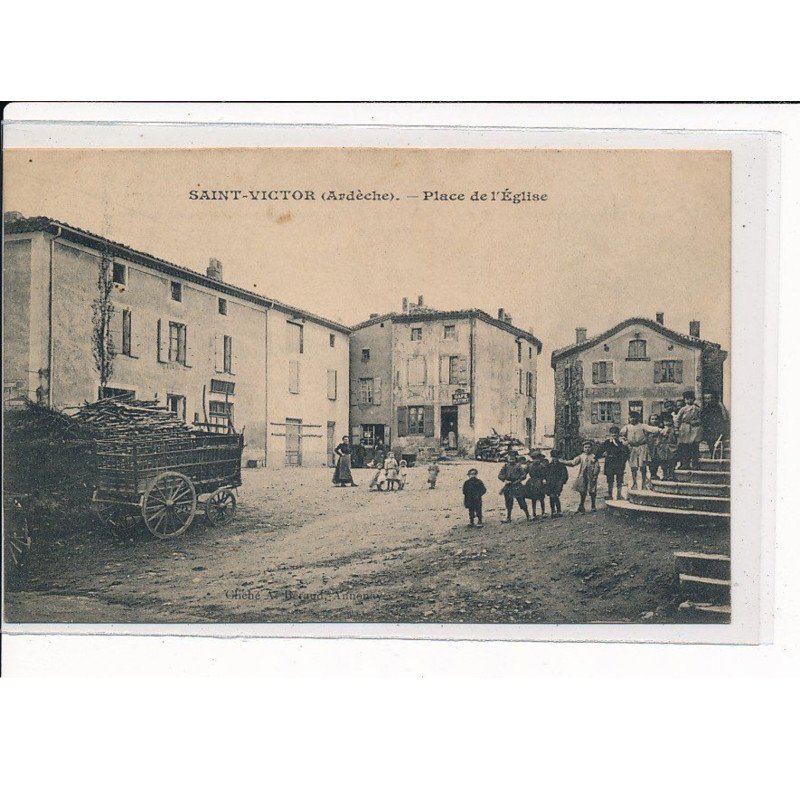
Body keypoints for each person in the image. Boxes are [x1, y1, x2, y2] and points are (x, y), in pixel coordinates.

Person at [620, 412, 661, 491]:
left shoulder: (643, 426)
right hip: (632, 448)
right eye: (631, 417)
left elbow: (653, 429)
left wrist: (662, 429)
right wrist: (624, 441)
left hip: (642, 447)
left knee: (643, 466)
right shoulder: (626, 427)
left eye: (635, 417)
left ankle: (643, 483)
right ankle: (634, 483)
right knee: (633, 467)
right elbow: (621, 435)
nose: (633, 419)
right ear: (629, 418)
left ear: (638, 418)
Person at [595, 426, 629, 500]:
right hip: (609, 463)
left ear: (618, 434)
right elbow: (599, 451)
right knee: (610, 480)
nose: (614, 435)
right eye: (613, 433)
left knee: (619, 480)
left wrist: (623, 460)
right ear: (610, 434)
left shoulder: (621, 443)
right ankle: (610, 494)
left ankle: (619, 495)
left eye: (616, 433)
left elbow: (626, 452)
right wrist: (599, 456)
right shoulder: (607, 442)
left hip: (619, 463)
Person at [563, 441, 596, 514]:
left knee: (592, 490)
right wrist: (563, 462)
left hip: (591, 476)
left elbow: (597, 467)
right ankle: (581, 506)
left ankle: (593, 506)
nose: (587, 449)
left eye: (589, 447)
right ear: (583, 448)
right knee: (582, 491)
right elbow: (573, 463)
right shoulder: (581, 456)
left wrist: (595, 475)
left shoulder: (594, 456)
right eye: (585, 447)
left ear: (591, 448)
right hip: (583, 475)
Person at [675, 390, 703, 469]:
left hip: (694, 429)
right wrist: (677, 429)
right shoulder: (683, 409)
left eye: (691, 398)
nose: (689, 400)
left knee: (694, 447)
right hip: (684, 429)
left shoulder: (697, 409)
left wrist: (696, 422)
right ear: (685, 400)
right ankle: (684, 464)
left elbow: (701, 418)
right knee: (684, 447)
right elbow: (677, 419)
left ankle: (695, 463)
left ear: (694, 399)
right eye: (687, 399)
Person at [498, 453, 530, 523]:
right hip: (508, 485)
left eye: (513, 458)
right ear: (508, 459)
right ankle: (508, 518)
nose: (511, 459)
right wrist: (505, 480)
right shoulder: (505, 466)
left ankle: (528, 516)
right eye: (510, 458)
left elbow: (524, 475)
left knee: (521, 500)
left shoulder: (518, 466)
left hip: (517, 485)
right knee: (508, 502)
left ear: (515, 459)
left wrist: (518, 480)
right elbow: (500, 475)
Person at [544, 450, 568, 517]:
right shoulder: (549, 465)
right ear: (551, 457)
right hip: (550, 483)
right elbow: (545, 474)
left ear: (559, 457)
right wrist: (546, 480)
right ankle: (553, 511)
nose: (555, 459)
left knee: (556, 496)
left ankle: (559, 510)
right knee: (551, 497)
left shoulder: (561, 465)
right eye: (553, 457)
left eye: (556, 457)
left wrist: (562, 482)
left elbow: (565, 475)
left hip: (558, 483)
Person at [525, 452, 548, 520]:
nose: (536, 460)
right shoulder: (529, 466)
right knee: (533, 498)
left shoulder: (542, 466)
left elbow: (545, 474)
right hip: (532, 482)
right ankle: (534, 513)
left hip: (540, 482)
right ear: (533, 459)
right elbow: (524, 472)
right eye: (535, 459)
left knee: (541, 498)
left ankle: (543, 512)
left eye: (538, 459)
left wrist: (544, 479)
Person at [657, 416, 679, 480]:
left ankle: (671, 475)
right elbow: (659, 439)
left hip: (672, 447)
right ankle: (665, 475)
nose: (667, 422)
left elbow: (677, 439)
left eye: (669, 421)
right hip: (663, 448)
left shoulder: (674, 430)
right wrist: (659, 445)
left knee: (672, 462)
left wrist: (675, 445)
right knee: (663, 462)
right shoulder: (661, 430)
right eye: (665, 421)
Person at [646, 413, 664, 482]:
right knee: (651, 460)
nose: (654, 420)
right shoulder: (647, 428)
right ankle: (652, 474)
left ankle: (657, 473)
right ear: (649, 420)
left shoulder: (661, 428)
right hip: (651, 446)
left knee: (658, 459)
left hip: (659, 446)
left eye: (656, 419)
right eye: (652, 419)